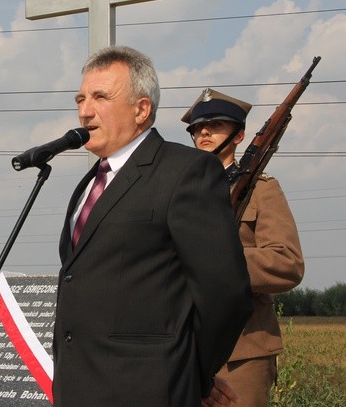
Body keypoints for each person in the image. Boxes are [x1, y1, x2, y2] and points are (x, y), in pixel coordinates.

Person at [52, 46, 252, 407]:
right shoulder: (88, 185)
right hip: (77, 388)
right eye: (80, 98)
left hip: (148, 390)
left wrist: (192, 373)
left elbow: (225, 293)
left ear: (141, 109)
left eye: (100, 97)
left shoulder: (185, 172)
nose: (84, 111)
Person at [182, 88, 304, 406]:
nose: (204, 131)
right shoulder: (180, 193)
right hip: (181, 349)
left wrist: (222, 263)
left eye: (217, 124)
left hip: (240, 354)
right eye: (197, 127)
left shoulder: (263, 190)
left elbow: (287, 262)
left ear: (239, 136)